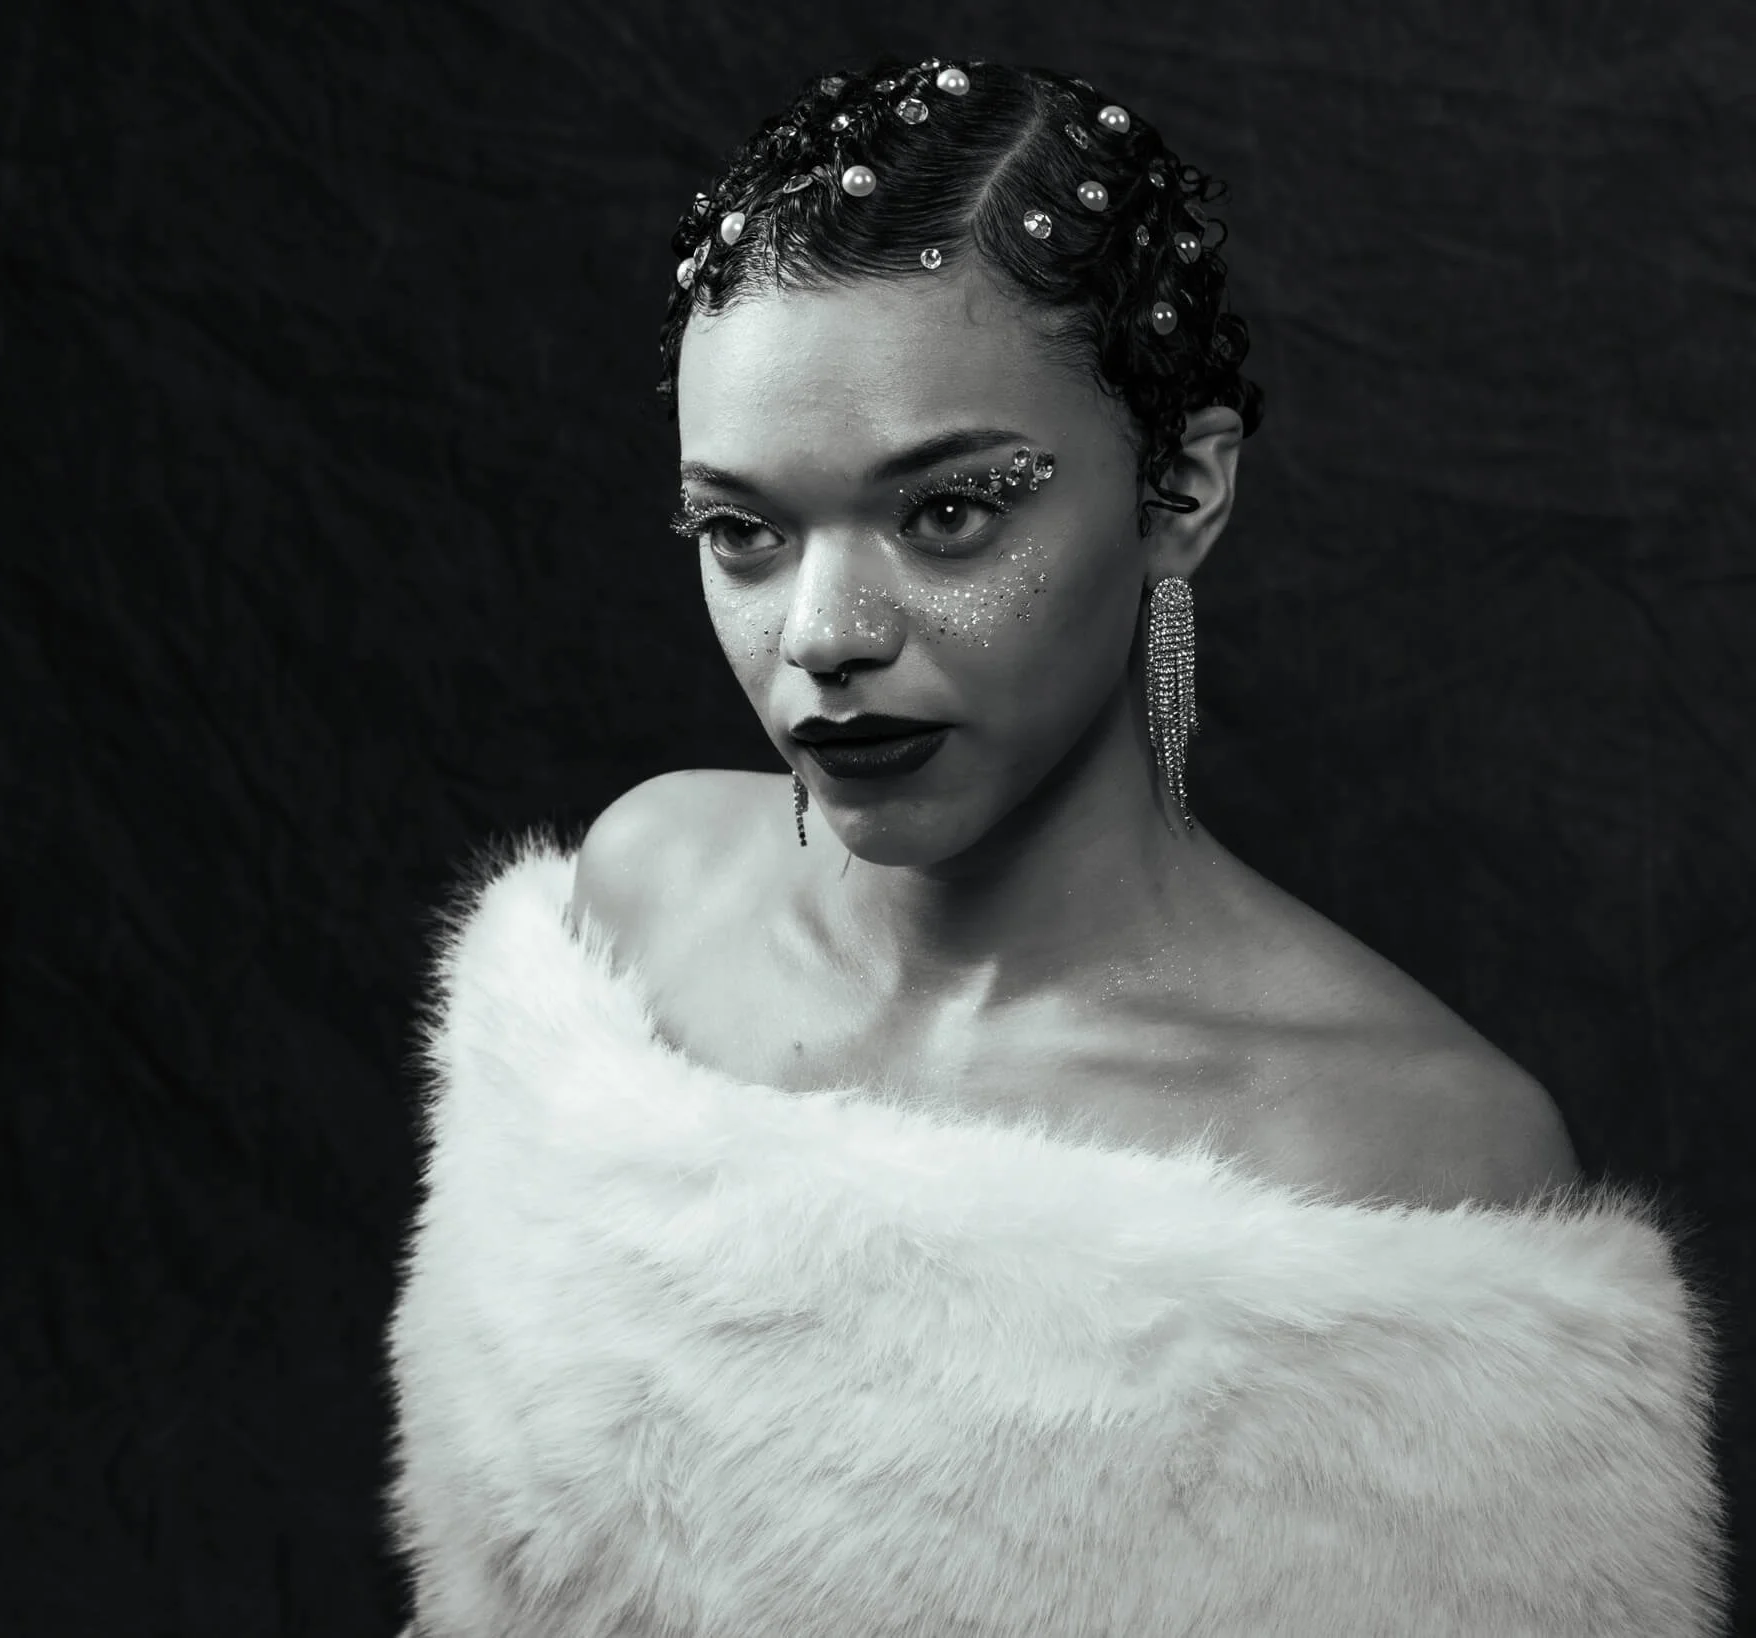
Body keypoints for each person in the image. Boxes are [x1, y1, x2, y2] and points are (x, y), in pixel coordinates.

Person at [383, 55, 1727, 1637]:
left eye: (949, 513)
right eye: (743, 531)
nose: (824, 635)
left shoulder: (1412, 1171)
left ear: (1183, 489)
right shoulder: (634, 920)